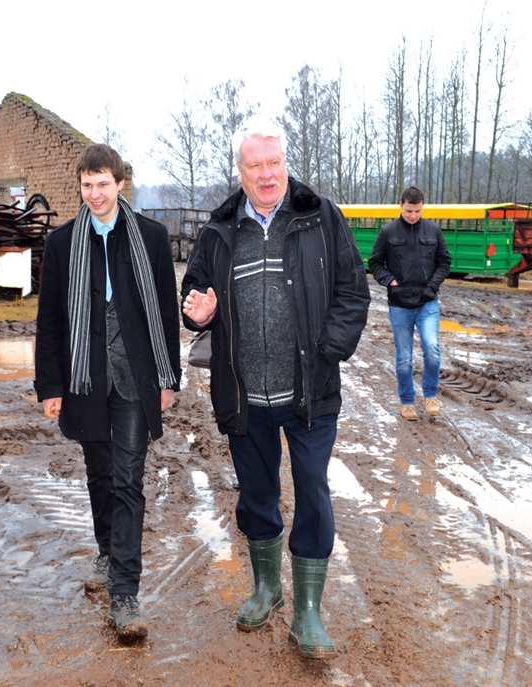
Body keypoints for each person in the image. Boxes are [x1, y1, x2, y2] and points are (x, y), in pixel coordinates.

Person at [181, 127, 369, 659]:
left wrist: (326, 351)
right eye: (254, 166)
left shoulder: (321, 217)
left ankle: (308, 612)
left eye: (274, 162)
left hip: (309, 394)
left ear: (286, 162)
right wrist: (198, 309)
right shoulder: (219, 230)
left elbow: (354, 293)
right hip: (244, 396)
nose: (266, 174)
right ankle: (267, 587)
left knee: (312, 492)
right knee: (257, 495)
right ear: (239, 173)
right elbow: (193, 291)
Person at [34, 144, 180, 640]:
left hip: (136, 378)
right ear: (80, 187)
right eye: (87, 185)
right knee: (99, 475)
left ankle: (125, 592)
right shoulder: (61, 244)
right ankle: (105, 551)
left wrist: (167, 378)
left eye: (103, 184)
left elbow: (163, 311)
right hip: (85, 379)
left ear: (120, 184)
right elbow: (50, 318)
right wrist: (50, 385)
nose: (95, 194)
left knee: (128, 481)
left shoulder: (152, 238)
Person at [367, 186, 451, 421]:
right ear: (400, 206)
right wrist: (389, 281)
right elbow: (374, 263)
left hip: (427, 303)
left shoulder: (433, 230)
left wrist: (432, 285)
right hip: (399, 305)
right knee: (404, 357)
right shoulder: (388, 232)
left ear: (423, 206)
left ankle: (430, 396)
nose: (413, 215)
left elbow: (444, 262)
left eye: (417, 211)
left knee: (432, 349)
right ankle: (407, 402)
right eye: (408, 211)